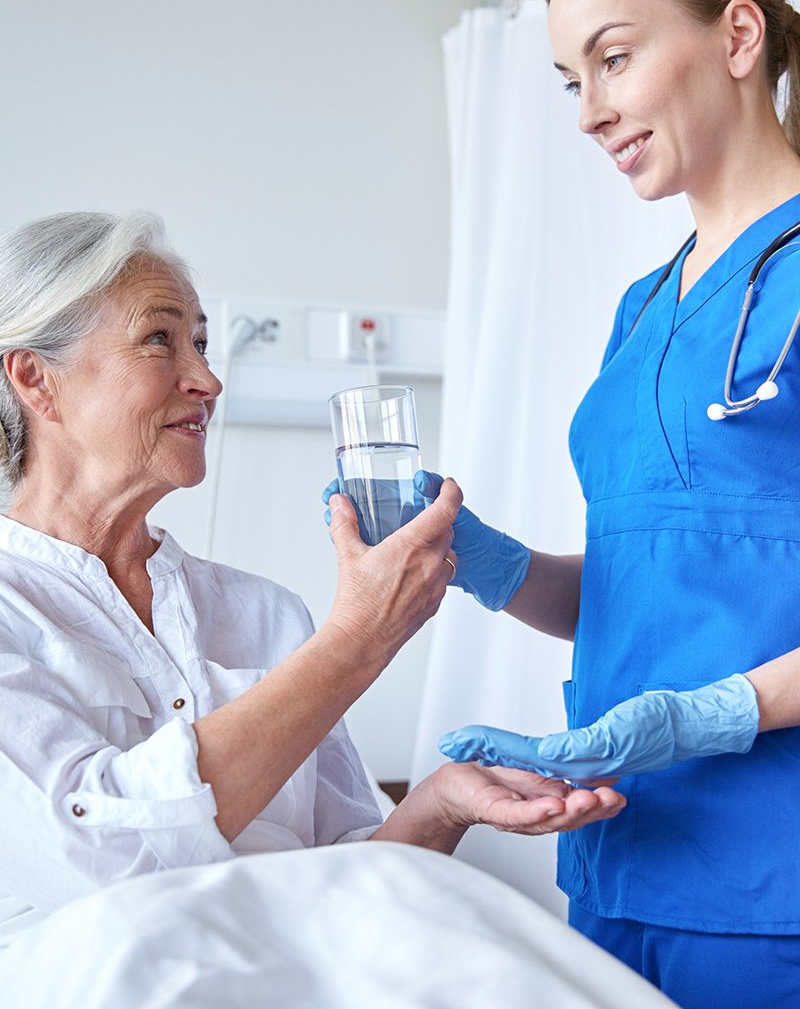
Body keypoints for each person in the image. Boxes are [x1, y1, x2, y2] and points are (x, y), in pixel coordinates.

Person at [0, 210, 624, 949]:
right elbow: (98, 861)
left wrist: (438, 807)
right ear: (37, 380)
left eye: (201, 343)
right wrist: (356, 642)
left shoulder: (263, 613)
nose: (207, 378)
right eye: (160, 340)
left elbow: (348, 882)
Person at [411, 0, 800, 1005]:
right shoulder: (642, 308)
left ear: (736, 36)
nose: (586, 112)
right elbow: (646, 588)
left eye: (612, 59)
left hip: (771, 881)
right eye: (566, 80)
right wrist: (486, 565)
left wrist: (708, 712)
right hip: (617, 860)